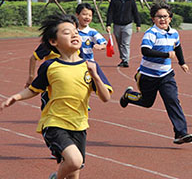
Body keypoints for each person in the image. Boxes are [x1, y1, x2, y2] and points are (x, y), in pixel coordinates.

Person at [1, 14, 113, 179]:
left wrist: (95, 76)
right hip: (55, 123)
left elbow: (105, 98)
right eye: (67, 33)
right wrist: (16, 97)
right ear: (54, 42)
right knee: (74, 161)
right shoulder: (50, 66)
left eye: (76, 32)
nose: (75, 35)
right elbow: (35, 88)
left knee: (74, 173)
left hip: (80, 124)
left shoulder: (90, 66)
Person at [119, 1, 192, 145]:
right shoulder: (151, 33)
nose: (163, 19)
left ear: (170, 18)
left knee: (172, 101)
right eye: (159, 16)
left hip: (166, 75)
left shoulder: (174, 33)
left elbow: (177, 47)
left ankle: (181, 133)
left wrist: (182, 62)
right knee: (146, 103)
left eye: (165, 16)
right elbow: (145, 50)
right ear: (153, 19)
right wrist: (166, 55)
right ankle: (128, 95)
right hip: (147, 76)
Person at [106, 0, 141, 68]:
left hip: (127, 25)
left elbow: (135, 12)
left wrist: (138, 24)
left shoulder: (131, 0)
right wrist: (108, 24)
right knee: (119, 43)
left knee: (125, 43)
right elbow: (110, 12)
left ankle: (125, 60)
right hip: (117, 25)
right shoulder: (114, 0)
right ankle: (123, 58)